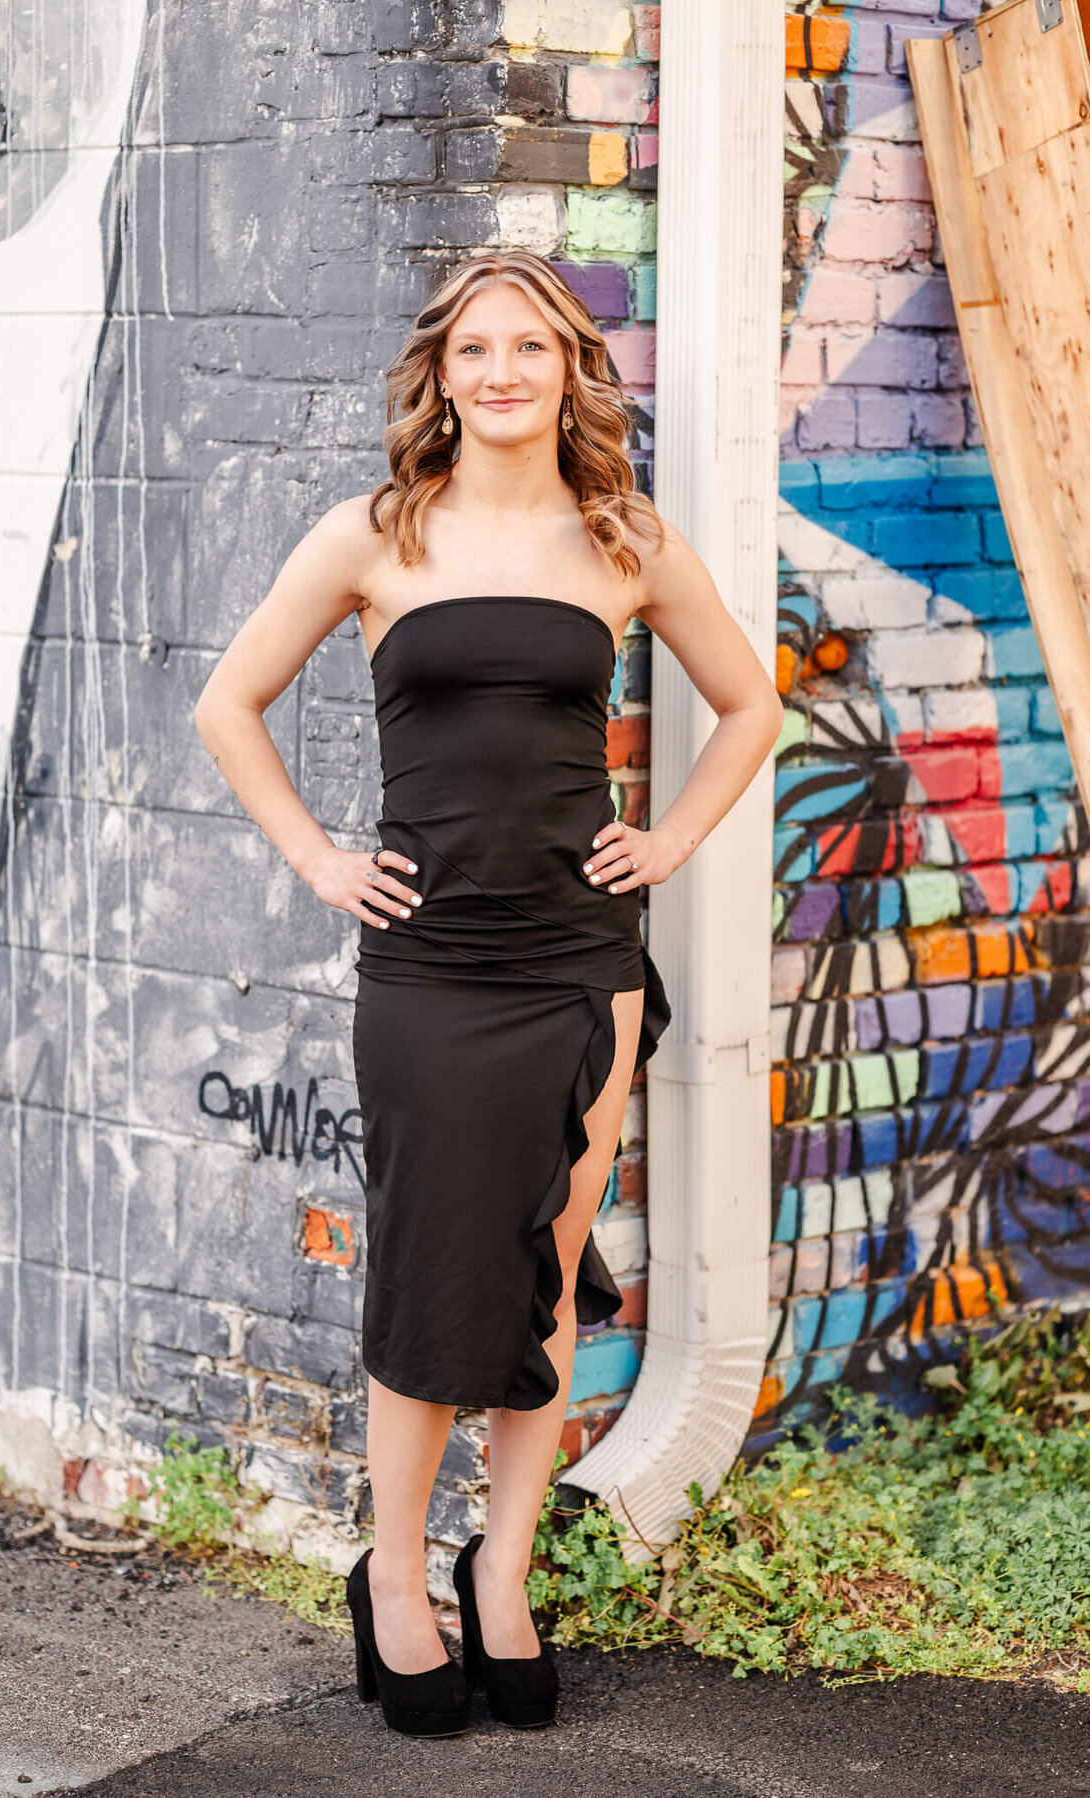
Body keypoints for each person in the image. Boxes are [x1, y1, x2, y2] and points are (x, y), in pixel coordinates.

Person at [194, 249, 784, 1738]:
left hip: (582, 965)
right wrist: (322, 858)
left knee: (538, 1277)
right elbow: (227, 702)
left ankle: (502, 1568)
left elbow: (753, 704)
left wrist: (672, 835)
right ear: (442, 374)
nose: (504, 370)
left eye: (532, 345)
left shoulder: (623, 536)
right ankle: (395, 1576)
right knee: (430, 1273)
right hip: (431, 969)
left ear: (572, 366)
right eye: (477, 349)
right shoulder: (376, 536)